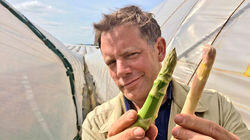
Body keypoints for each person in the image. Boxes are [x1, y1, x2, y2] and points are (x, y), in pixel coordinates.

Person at [82, 5, 250, 140]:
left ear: (160, 49)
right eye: (111, 62)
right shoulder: (95, 124)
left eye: (131, 54)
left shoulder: (219, 107)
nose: (120, 71)